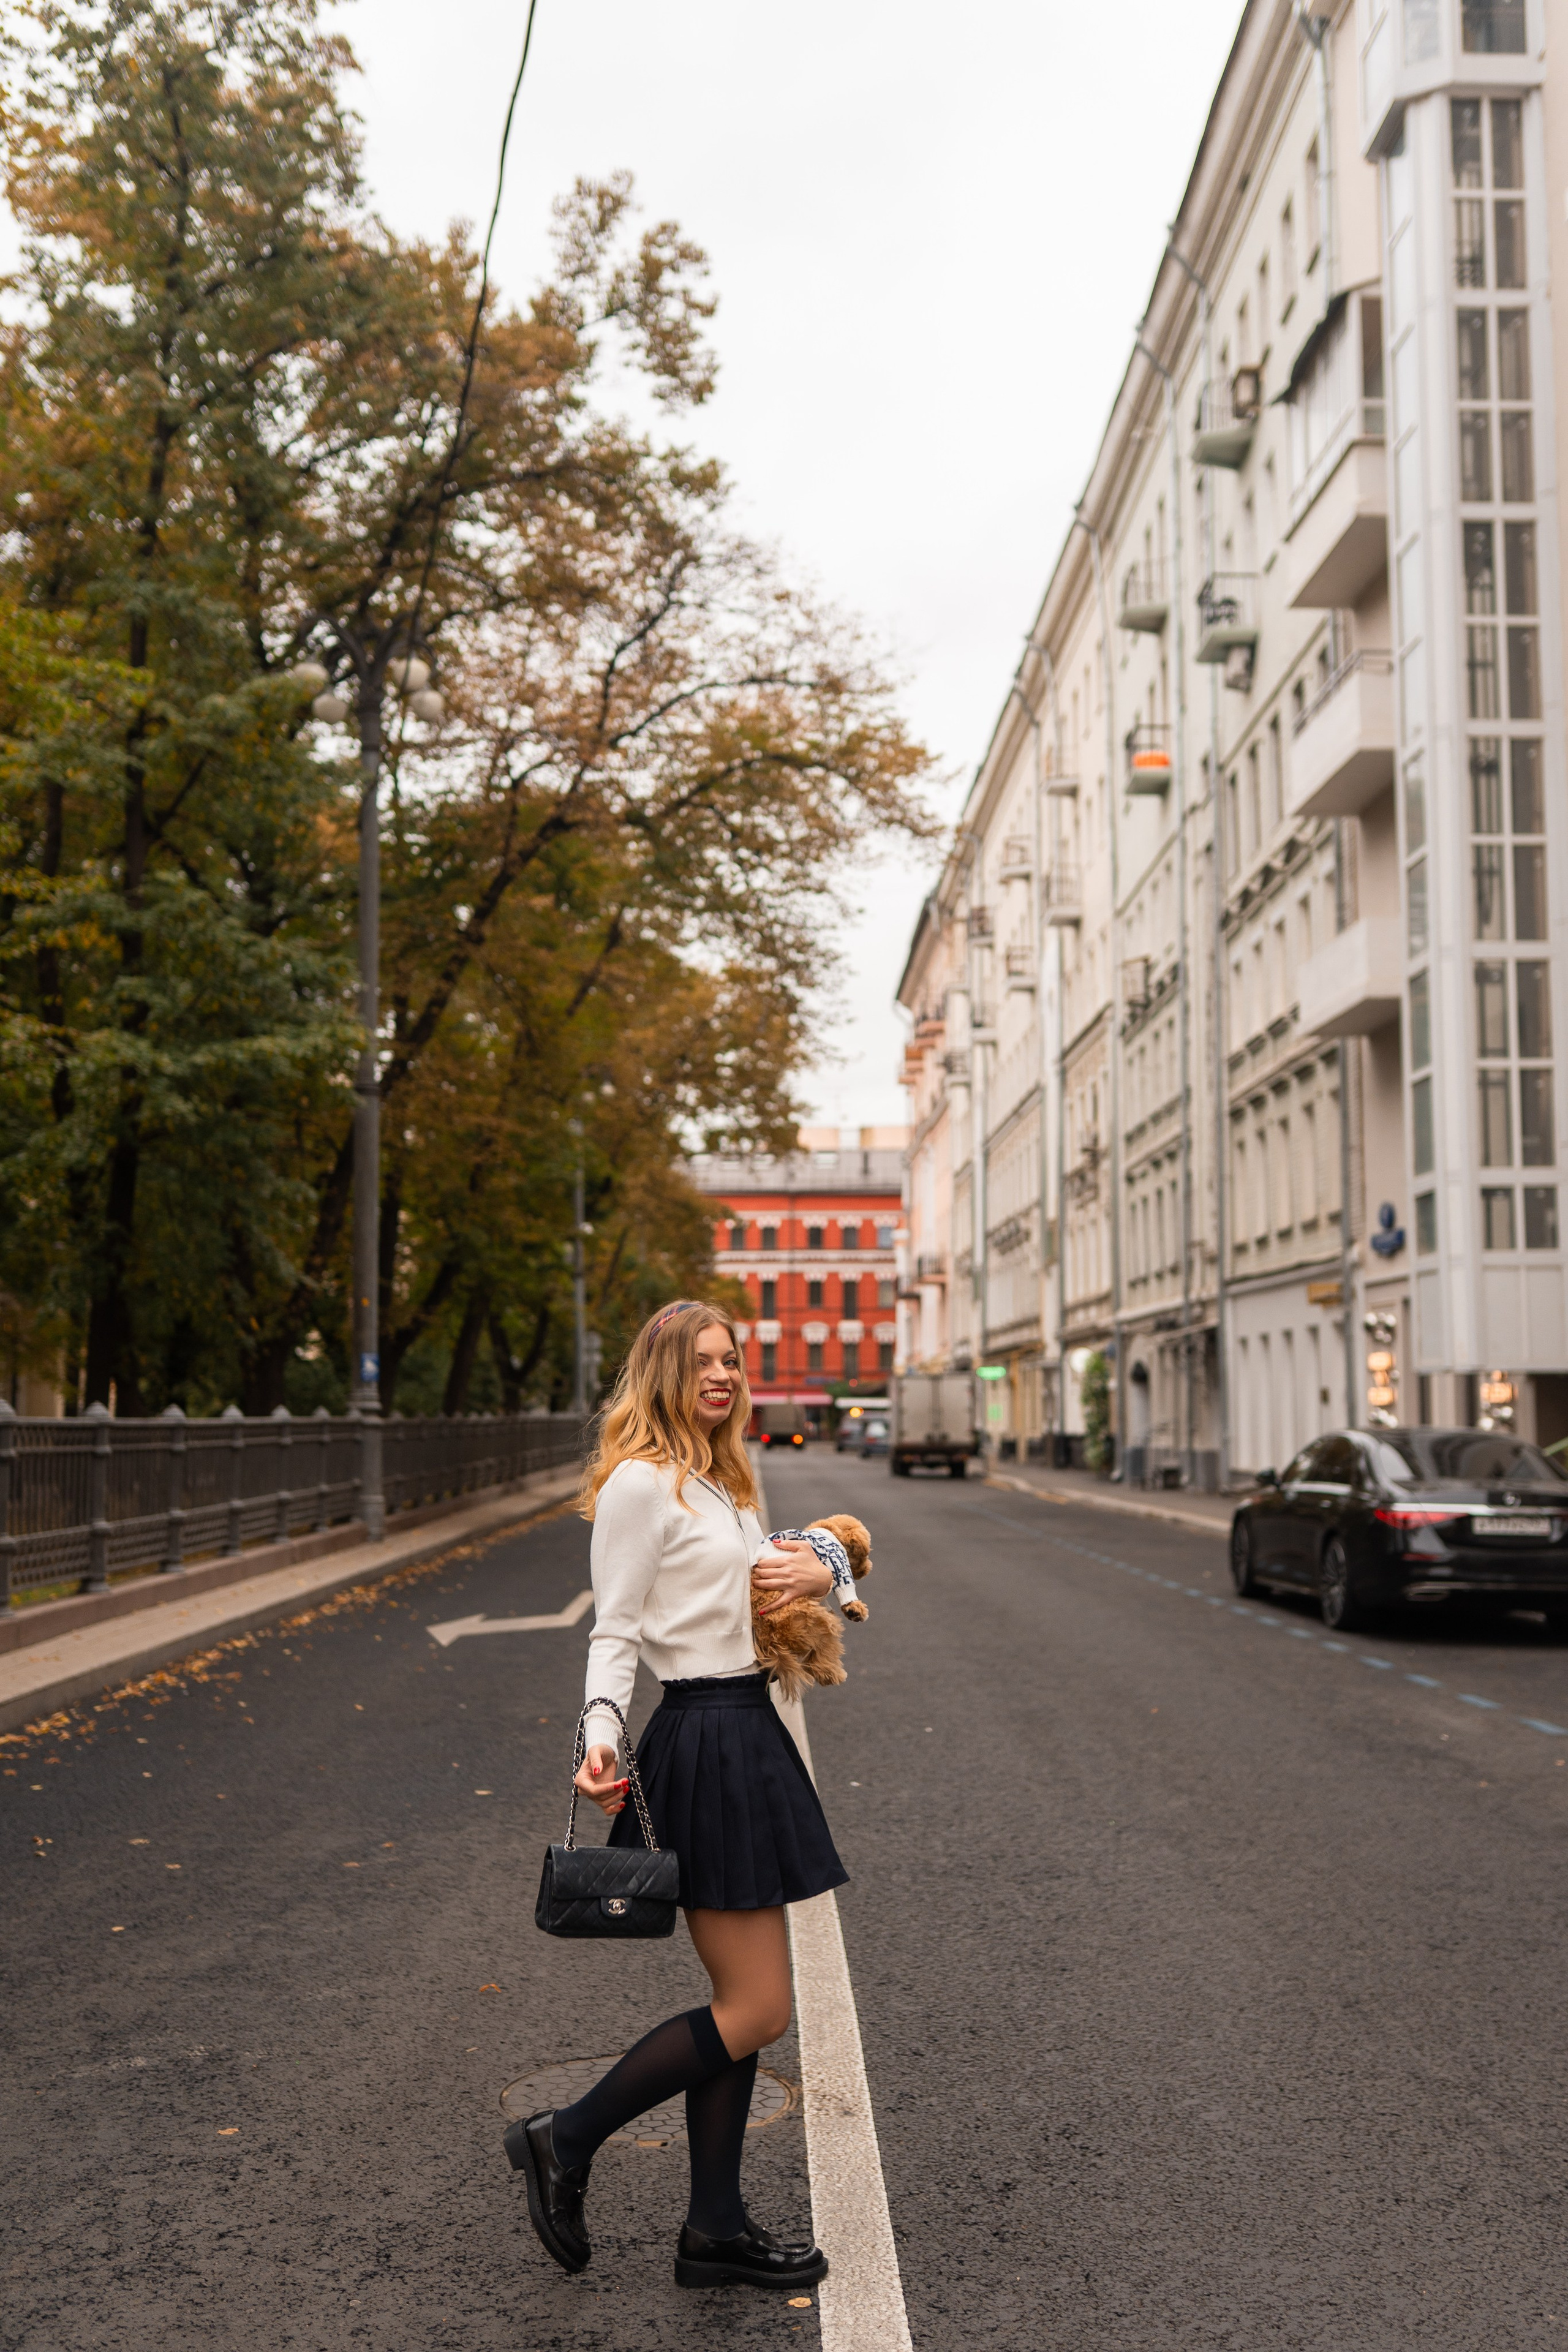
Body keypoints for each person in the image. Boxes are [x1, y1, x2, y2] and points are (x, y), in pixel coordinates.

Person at [509, 1299, 851, 2291]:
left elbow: (768, 1585)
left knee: (740, 2003)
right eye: (703, 1361)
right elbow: (615, 1632)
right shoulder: (640, 1485)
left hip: (749, 1730)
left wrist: (825, 1572)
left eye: (732, 1360)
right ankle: (567, 2136)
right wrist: (599, 1737)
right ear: (663, 1370)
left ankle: (714, 2228)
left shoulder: (722, 1480)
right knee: (759, 2008)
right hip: (703, 1738)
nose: (723, 1375)